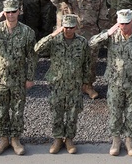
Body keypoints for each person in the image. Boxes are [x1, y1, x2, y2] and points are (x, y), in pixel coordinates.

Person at [90, 8, 132, 157]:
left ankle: (129, 141)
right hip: (115, 82)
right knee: (115, 113)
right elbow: (92, 44)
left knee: (131, 113)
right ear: (117, 23)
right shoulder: (112, 37)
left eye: (126, 23)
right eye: (121, 24)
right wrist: (107, 33)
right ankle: (116, 140)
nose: (124, 27)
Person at [0, 0, 38, 156]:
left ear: (19, 12)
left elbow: (31, 56)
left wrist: (30, 77)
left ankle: (15, 139)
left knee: (17, 111)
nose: (11, 15)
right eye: (7, 12)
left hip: (18, 78)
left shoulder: (27, 31)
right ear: (4, 13)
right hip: (0, 78)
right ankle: (3, 139)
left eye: (13, 11)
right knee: (1, 111)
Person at [35, 14, 94, 155]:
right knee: (57, 112)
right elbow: (37, 49)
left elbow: (87, 63)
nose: (68, 30)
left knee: (73, 113)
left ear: (76, 27)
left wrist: (86, 82)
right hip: (57, 83)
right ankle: (57, 138)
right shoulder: (55, 41)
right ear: (62, 27)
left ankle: (69, 139)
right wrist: (53, 34)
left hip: (75, 84)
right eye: (65, 27)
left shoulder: (82, 42)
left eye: (71, 27)